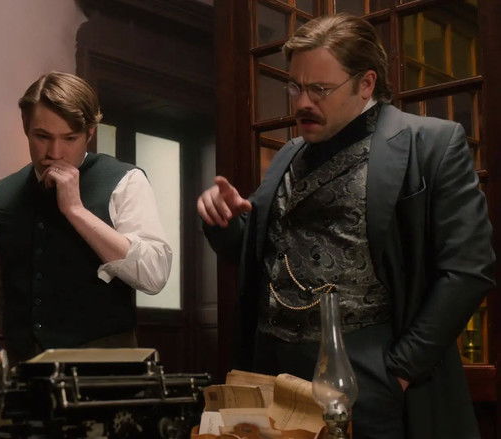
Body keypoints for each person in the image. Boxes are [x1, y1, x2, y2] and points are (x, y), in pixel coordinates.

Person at [198, 14, 494, 439]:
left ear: (366, 83)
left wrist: (400, 370)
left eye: (319, 89)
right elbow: (256, 256)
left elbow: (468, 269)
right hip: (272, 374)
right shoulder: (288, 154)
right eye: (295, 87)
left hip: (369, 368)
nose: (302, 102)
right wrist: (223, 220)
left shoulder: (430, 143)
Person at [0, 72, 172, 363]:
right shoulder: (2, 194)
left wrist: (76, 211)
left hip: (106, 374)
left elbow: (154, 275)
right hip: (24, 372)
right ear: (25, 126)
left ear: (90, 133)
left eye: (70, 138)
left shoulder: (125, 181)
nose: (55, 152)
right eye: (42, 136)